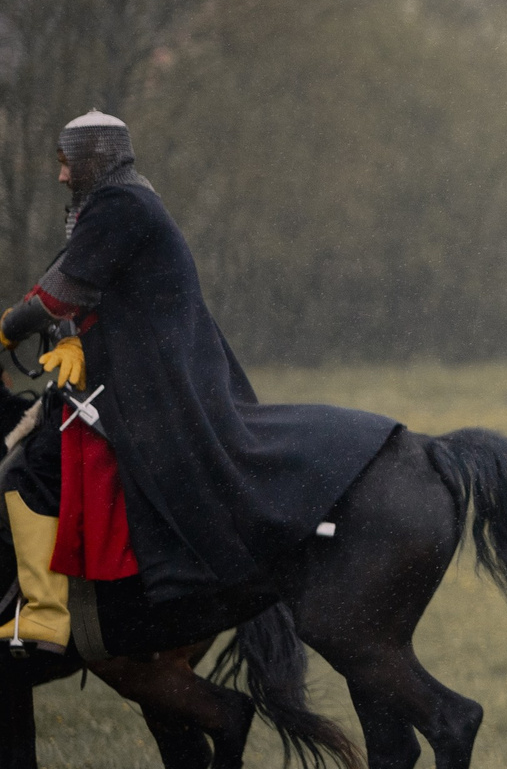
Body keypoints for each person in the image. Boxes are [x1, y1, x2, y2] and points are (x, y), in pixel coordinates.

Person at [1, 113, 395, 648]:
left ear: (95, 158)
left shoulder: (119, 207)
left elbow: (56, 296)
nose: (62, 176)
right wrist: (75, 338)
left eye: (68, 163)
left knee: (26, 471)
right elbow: (88, 294)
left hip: (152, 381)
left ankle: (46, 612)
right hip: (146, 368)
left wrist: (6, 332)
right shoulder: (125, 202)